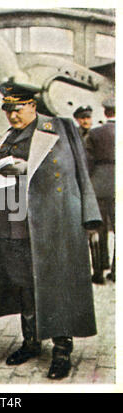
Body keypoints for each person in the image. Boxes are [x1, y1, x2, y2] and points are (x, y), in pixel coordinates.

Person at [0, 81, 102, 380]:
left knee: (57, 281)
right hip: (13, 221)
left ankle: (62, 349)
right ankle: (31, 341)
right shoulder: (5, 138)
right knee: (22, 281)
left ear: (32, 105)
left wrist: (90, 217)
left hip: (52, 222)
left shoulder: (58, 128)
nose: (12, 116)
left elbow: (81, 175)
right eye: (7, 110)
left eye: (17, 109)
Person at [85, 97, 115, 283]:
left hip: (99, 184)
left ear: (105, 113)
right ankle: (117, 271)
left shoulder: (95, 133)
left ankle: (98, 273)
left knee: (97, 229)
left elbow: (87, 161)